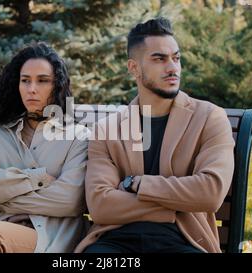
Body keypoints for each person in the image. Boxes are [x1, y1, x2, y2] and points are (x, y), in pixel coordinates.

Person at [74, 17, 235, 253]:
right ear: (133, 68)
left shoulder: (210, 118)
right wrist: (173, 207)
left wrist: (138, 184)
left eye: (176, 58)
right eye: (159, 59)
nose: (172, 68)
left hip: (183, 240)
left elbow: (210, 192)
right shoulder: (107, 129)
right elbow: (100, 205)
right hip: (114, 241)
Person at [0, 42, 89, 253]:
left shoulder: (77, 137)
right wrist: (39, 178)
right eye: (25, 81)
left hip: (45, 237)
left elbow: (69, 200)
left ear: (56, 85)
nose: (32, 89)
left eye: (42, 81)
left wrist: (0, 197)